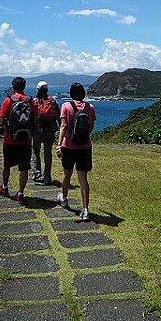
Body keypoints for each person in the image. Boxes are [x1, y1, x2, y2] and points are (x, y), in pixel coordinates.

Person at [56, 82, 96, 221]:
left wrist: (59, 144)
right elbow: (91, 126)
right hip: (85, 147)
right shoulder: (90, 107)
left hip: (68, 146)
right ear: (83, 93)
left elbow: (63, 126)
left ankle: (64, 198)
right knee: (83, 178)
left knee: (67, 174)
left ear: (71, 93)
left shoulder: (66, 106)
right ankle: (85, 210)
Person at [0, 77, 37, 202]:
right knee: (24, 167)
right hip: (26, 140)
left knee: (7, 165)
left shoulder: (8, 100)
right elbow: (35, 118)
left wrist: (8, 129)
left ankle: (5, 187)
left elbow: (2, 117)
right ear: (24, 87)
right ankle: (20, 193)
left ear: (13, 87)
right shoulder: (30, 101)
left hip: (10, 140)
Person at [31, 80, 61, 185]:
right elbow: (58, 115)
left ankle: (37, 173)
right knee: (48, 154)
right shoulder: (52, 100)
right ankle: (47, 176)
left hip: (37, 130)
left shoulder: (34, 101)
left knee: (35, 151)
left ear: (37, 89)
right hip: (50, 130)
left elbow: (31, 117)